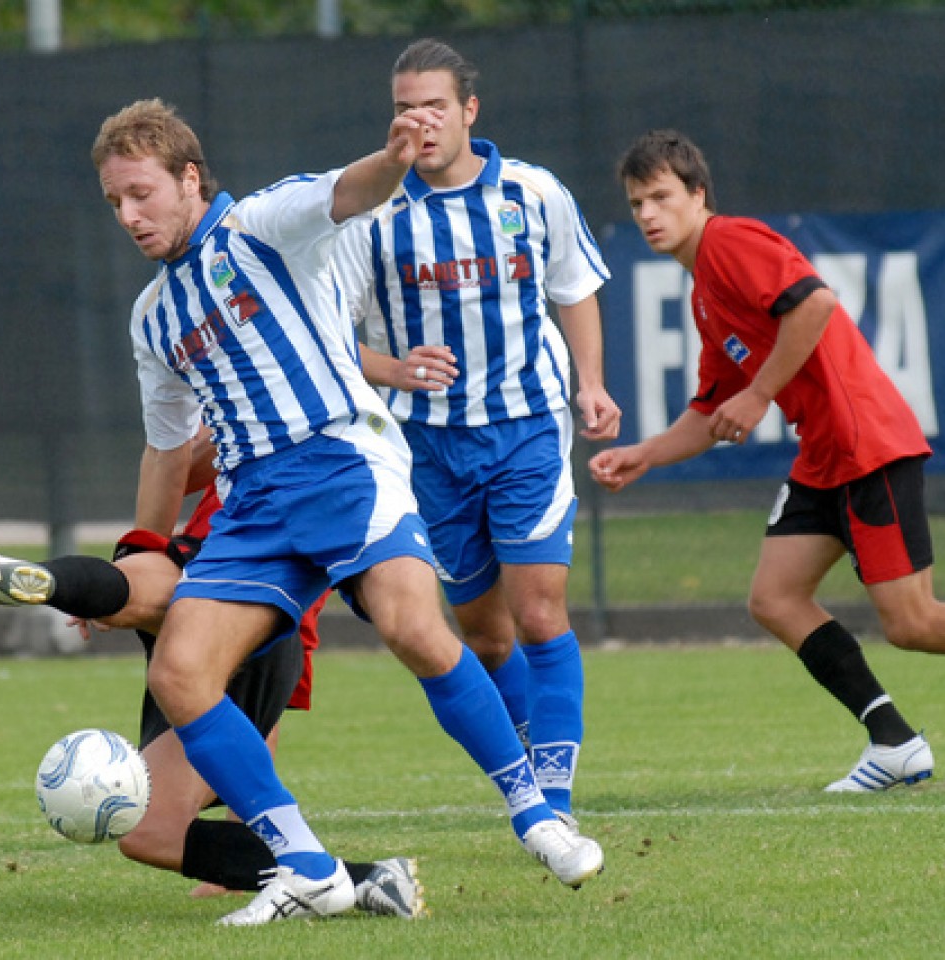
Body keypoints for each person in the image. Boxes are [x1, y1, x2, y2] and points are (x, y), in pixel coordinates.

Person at [85, 97, 601, 925]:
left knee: (411, 625)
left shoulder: (257, 225)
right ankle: (310, 869)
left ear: (189, 178)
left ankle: (535, 812)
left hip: (340, 461)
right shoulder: (155, 316)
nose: (129, 215)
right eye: (115, 202)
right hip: (252, 506)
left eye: (141, 193)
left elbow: (345, 193)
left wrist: (394, 158)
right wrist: (142, 551)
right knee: (179, 675)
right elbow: (166, 449)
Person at [590, 129, 945, 792]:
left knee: (913, 621)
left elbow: (816, 302)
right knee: (775, 597)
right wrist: (643, 455)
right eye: (636, 203)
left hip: (864, 442)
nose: (648, 214)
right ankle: (894, 741)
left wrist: (762, 393)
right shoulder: (705, 291)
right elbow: (713, 410)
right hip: (822, 453)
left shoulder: (731, 242)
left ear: (698, 194)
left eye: (661, 197)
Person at [0, 448, 427, 919]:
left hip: (206, 569)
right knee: (187, 788)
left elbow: (174, 459)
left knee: (148, 828)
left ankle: (361, 880)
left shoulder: (256, 412)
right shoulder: (316, 436)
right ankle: (71, 586)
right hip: (249, 603)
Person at [333, 38, 622, 824]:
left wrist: (590, 383)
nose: (416, 121)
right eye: (402, 107)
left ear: (468, 111)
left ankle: (551, 802)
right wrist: (391, 369)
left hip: (526, 428)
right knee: (486, 640)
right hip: (426, 450)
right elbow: (325, 336)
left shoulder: (532, 193)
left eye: (432, 105)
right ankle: (527, 756)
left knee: (538, 616)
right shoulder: (372, 217)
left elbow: (575, 289)